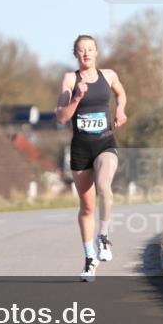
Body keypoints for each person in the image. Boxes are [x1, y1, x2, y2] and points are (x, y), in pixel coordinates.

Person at [55, 35, 127, 282]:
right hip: (81, 149)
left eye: (90, 49)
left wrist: (120, 109)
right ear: (75, 54)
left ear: (96, 52)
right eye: (81, 50)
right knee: (87, 207)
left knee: (105, 187)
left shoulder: (109, 75)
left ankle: (104, 237)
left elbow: (121, 94)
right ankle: (89, 259)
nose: (86, 54)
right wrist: (76, 98)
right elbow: (62, 117)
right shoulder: (70, 79)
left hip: (105, 143)